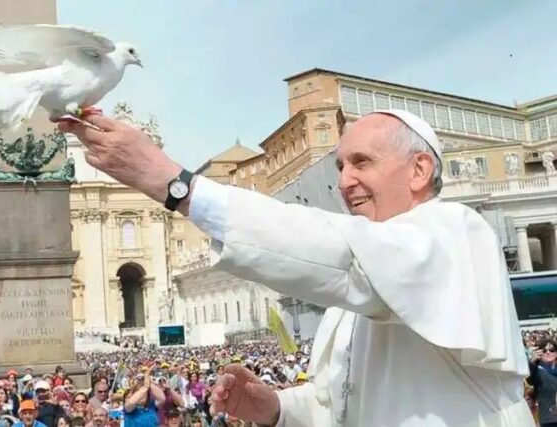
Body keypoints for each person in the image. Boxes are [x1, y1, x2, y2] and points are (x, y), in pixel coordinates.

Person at [60, 109, 533, 426]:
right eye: (341, 166)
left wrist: (175, 184)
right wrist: (277, 407)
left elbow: (341, 252)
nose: (345, 181)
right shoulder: (352, 302)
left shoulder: (456, 231)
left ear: (419, 170)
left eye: (362, 162)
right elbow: (337, 402)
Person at [528, 339, 557, 426]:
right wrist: (532, 363)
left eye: (552, 350)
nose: (548, 352)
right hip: (549, 418)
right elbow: (531, 378)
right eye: (544, 350)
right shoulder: (537, 370)